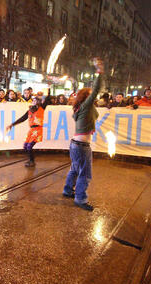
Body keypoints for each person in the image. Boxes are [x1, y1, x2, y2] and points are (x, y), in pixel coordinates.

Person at [62, 58, 104, 211]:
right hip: (81, 146)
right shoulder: (86, 107)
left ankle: (67, 190)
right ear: (87, 97)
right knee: (85, 173)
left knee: (74, 169)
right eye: (91, 95)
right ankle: (80, 199)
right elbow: (97, 88)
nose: (95, 96)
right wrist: (99, 71)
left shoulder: (83, 108)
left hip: (75, 145)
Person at [6, 92, 52, 167]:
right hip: (31, 130)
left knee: (29, 146)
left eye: (35, 101)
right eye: (33, 101)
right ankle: (31, 159)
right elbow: (22, 119)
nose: (33, 102)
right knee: (25, 146)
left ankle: (32, 161)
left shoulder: (41, 108)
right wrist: (12, 125)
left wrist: (48, 89)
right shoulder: (29, 111)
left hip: (37, 130)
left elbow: (47, 99)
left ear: (38, 102)